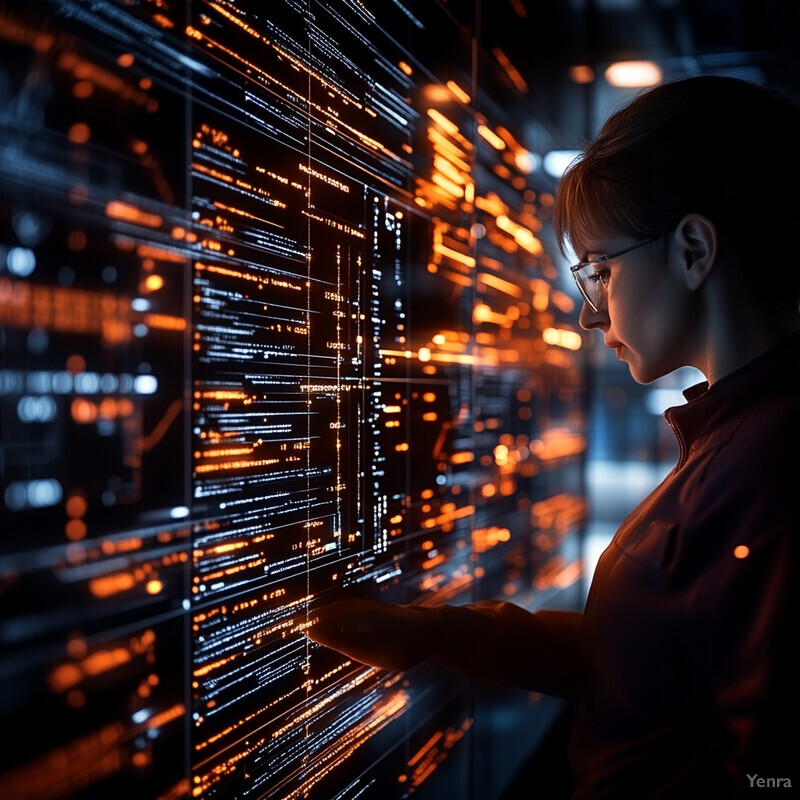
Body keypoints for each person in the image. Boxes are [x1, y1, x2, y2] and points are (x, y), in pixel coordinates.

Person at [307, 76, 799, 798]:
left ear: (694, 250)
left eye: (600, 270)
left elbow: (774, 769)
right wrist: (436, 637)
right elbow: (658, 667)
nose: (590, 317)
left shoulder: (771, 466)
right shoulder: (744, 438)